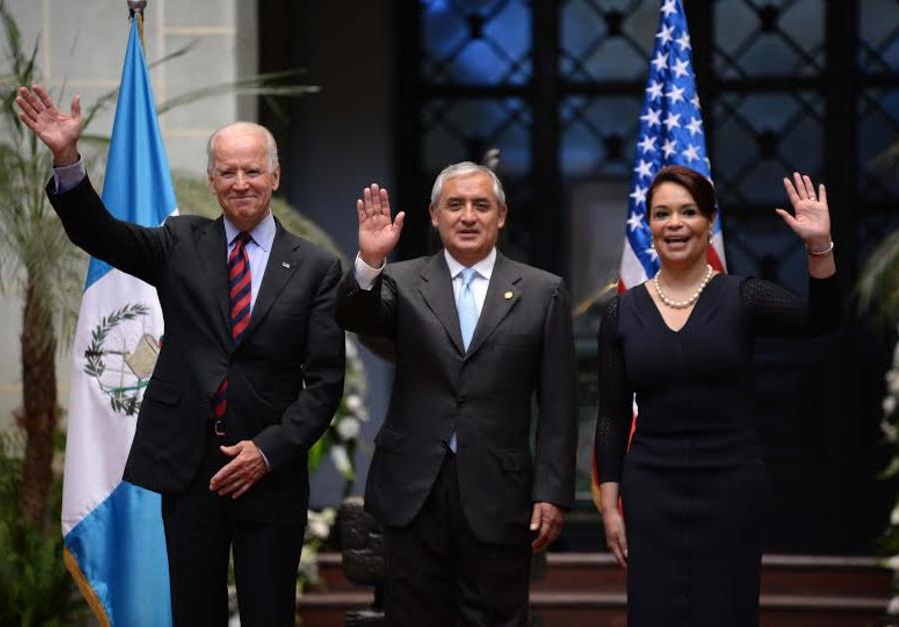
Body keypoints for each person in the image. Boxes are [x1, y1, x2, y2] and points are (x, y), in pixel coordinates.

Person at [16, 85, 345, 627]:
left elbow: (325, 381)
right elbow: (100, 233)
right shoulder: (180, 243)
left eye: (253, 171)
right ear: (212, 180)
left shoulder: (315, 267)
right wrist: (66, 160)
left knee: (269, 616)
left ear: (275, 177)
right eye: (228, 172)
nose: (241, 183)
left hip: (268, 471)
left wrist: (268, 450)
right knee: (194, 613)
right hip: (191, 468)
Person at [334, 162, 579, 627]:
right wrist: (369, 263)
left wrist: (552, 490)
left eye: (481, 205)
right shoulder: (401, 282)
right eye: (455, 205)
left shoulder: (542, 292)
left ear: (501, 216)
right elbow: (355, 316)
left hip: (499, 493)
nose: (468, 216)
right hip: (414, 490)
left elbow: (559, 405)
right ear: (434, 214)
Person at [594, 164, 839, 625]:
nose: (674, 224)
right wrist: (610, 508)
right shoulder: (620, 313)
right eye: (662, 213)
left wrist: (818, 247)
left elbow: (821, 321)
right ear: (647, 226)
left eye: (688, 212)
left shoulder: (743, 297)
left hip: (732, 488)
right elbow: (610, 417)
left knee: (725, 611)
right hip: (651, 491)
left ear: (710, 223)